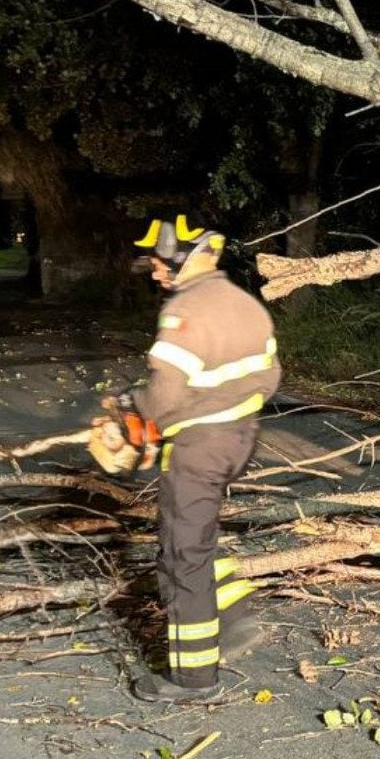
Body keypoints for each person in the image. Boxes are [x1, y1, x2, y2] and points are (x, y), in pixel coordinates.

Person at [112, 215, 281, 703]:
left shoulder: (185, 310)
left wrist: (133, 405)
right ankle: (231, 614)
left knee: (181, 555)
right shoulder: (245, 303)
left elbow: (163, 398)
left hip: (199, 447)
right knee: (195, 537)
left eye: (161, 262)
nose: (155, 272)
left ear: (185, 255)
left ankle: (193, 680)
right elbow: (269, 376)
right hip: (240, 436)